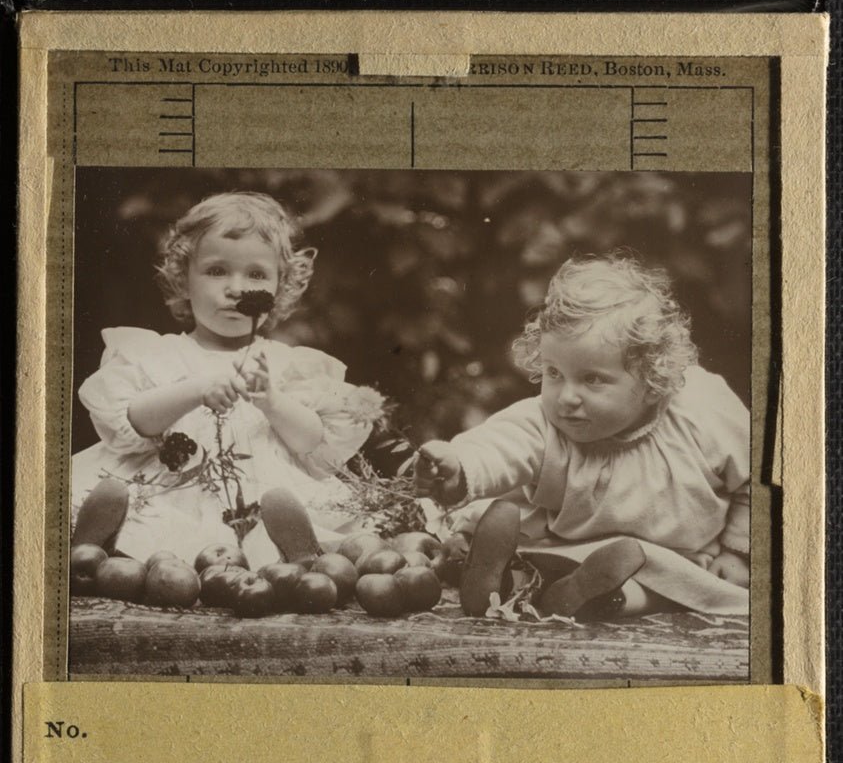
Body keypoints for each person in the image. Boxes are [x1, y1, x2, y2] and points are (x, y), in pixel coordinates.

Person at [415, 254, 750, 620]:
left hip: (675, 558)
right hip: (563, 547)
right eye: (554, 373)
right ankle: (500, 581)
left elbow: (756, 480)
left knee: (671, 587)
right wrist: (459, 467)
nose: (566, 397)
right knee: (534, 556)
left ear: (654, 382)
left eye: (592, 379)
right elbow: (501, 444)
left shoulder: (703, 412)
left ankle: (588, 596)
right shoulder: (547, 423)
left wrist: (737, 551)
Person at [71, 191, 383, 569]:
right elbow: (129, 426)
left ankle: (298, 556)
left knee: (280, 510)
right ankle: (97, 547)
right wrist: (195, 390)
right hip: (172, 491)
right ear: (184, 281)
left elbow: (314, 445)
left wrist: (272, 401)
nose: (236, 288)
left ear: (278, 289)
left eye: (256, 274)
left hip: (258, 498)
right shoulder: (154, 354)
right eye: (217, 270)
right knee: (143, 518)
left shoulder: (289, 366)